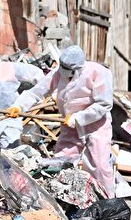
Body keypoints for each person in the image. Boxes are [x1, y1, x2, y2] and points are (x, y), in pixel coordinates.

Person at [7, 45, 116, 197]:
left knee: (99, 166)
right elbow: (37, 91)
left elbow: (104, 104)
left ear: (77, 68)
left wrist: (79, 118)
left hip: (95, 125)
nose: (63, 71)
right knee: (62, 162)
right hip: (69, 125)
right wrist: (18, 106)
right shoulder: (58, 74)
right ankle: (64, 200)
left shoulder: (97, 72)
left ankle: (109, 202)